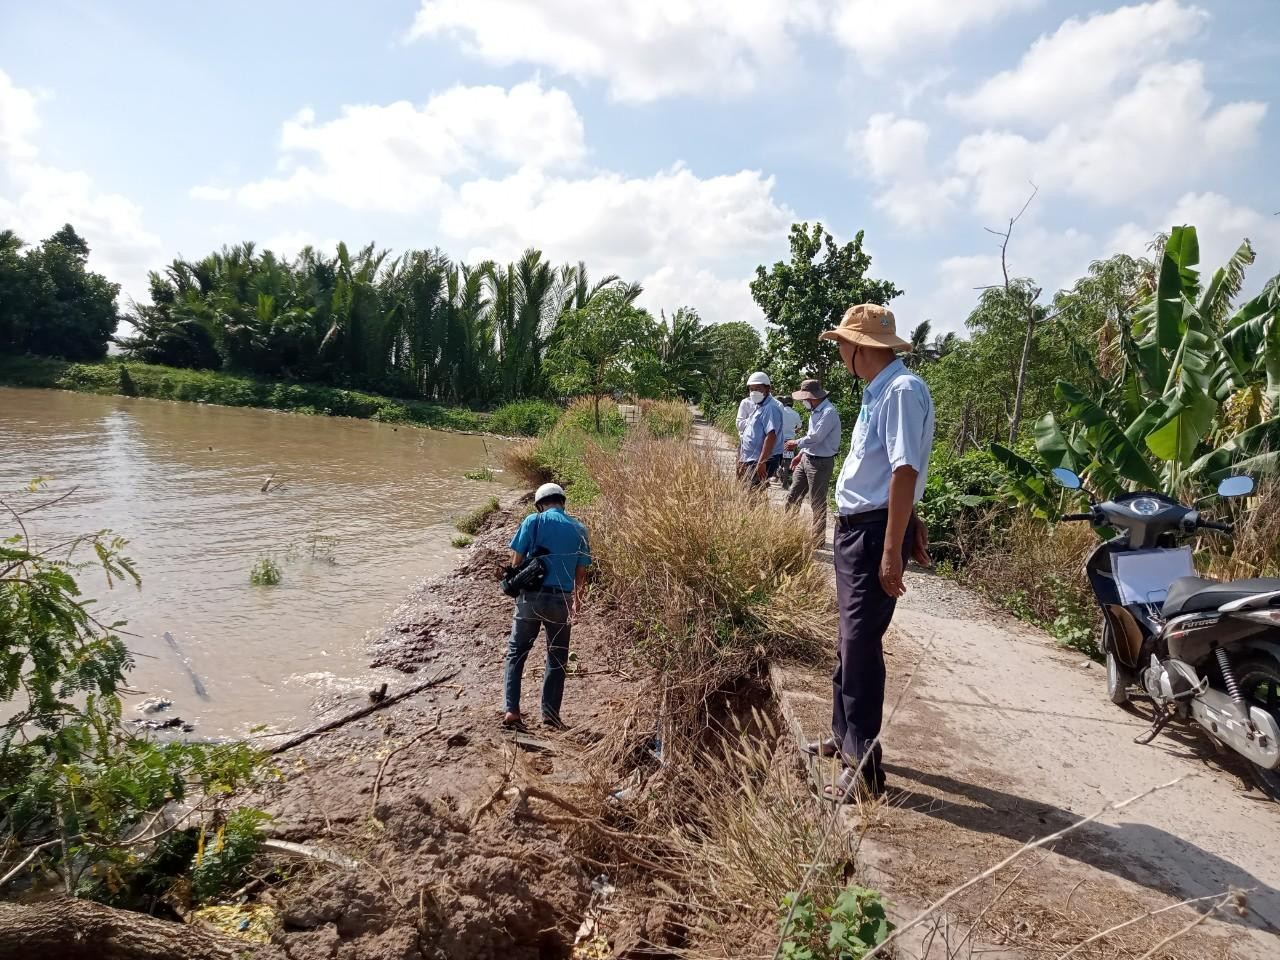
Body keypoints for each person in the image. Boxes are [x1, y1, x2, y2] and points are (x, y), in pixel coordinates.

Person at [805, 304, 934, 802]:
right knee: (849, 637)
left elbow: (904, 471)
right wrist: (911, 522)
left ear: (862, 349)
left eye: (842, 344)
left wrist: (892, 546)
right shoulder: (879, 391)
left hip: (873, 531)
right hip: (860, 527)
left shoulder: (900, 391)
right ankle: (844, 738)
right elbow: (894, 472)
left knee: (860, 643)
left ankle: (863, 766)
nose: (839, 352)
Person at [503, 482, 591, 731]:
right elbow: (581, 573)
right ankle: (550, 714)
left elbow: (516, 560)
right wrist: (577, 604)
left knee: (517, 653)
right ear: (563, 502)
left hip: (530, 599)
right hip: (561, 600)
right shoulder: (580, 529)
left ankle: (512, 711)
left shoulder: (534, 520)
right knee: (557, 657)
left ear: (540, 504)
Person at [784, 379, 841, 543]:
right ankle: (788, 531)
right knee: (792, 496)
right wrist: (800, 454)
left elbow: (816, 437)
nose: (803, 402)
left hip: (820, 463)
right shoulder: (815, 411)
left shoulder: (828, 412)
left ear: (812, 397)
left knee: (816, 501)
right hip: (806, 458)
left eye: (804, 399)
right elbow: (812, 438)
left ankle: (817, 539)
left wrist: (796, 443)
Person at [738, 371, 784, 487]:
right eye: (751, 389)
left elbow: (771, 435)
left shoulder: (771, 408)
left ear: (767, 389)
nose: (754, 392)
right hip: (753, 458)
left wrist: (762, 462)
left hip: (762, 459)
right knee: (752, 491)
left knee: (753, 491)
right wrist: (744, 457)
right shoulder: (759, 406)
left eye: (758, 388)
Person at [777, 395, 803, 488]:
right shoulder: (796, 414)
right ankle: (785, 482)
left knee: (777, 458)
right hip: (791, 442)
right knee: (788, 461)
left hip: (779, 440)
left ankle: (777, 472)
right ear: (791, 404)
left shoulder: (780, 412)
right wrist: (794, 431)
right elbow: (799, 427)